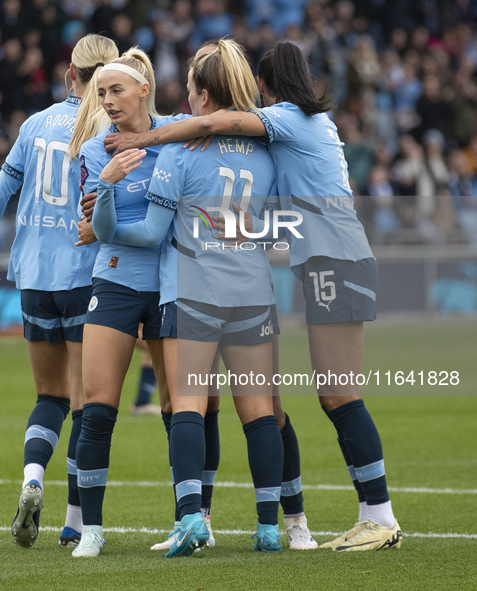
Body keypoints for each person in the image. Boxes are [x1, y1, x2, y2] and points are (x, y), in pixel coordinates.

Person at [105, 40, 402, 552]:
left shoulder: (284, 119)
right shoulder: (310, 125)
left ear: (264, 85)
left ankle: (379, 515)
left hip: (332, 259)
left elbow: (208, 124)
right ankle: (301, 520)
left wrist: (149, 136)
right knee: (288, 404)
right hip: (325, 258)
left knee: (338, 394)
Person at [91, 39, 289, 557]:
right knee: (259, 412)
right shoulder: (269, 148)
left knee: (188, 407)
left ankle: (190, 520)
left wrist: (106, 210)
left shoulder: (179, 151)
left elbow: (149, 234)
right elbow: (278, 227)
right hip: (252, 293)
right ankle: (269, 526)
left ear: (200, 95)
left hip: (193, 294)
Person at [0, 34, 119, 549]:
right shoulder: (111, 126)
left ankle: (33, 477)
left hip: (33, 278)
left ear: (68, 76)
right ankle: (76, 522)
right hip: (85, 276)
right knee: (85, 403)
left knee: (48, 397)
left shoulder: (34, 126)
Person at [69, 47, 191, 559]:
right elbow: (98, 232)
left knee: (181, 410)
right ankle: (91, 529)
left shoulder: (178, 138)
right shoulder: (97, 152)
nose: (108, 101)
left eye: (116, 90)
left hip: (173, 286)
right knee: (98, 408)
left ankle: (191, 519)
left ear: (144, 89)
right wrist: (107, 182)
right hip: (116, 283)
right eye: (100, 93)